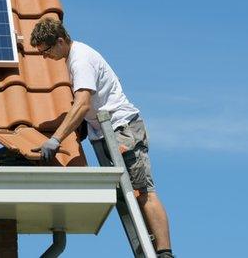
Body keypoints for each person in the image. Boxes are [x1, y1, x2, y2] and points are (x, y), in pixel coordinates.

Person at [29, 17, 175, 258]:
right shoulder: (73, 57)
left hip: (122, 129)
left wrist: (55, 139)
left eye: (46, 51)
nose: (45, 57)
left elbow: (83, 103)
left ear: (60, 42)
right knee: (131, 195)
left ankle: (165, 252)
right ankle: (147, 246)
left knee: (143, 191)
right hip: (107, 133)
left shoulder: (80, 60)